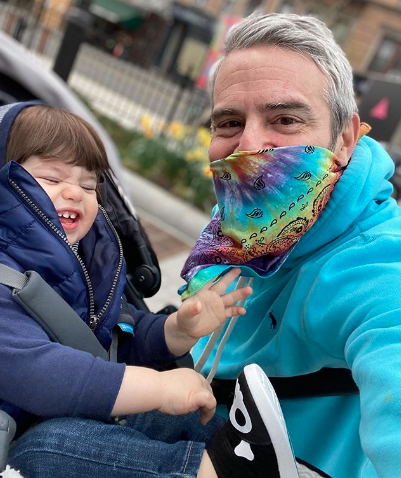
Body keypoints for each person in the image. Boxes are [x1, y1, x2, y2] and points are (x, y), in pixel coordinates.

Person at [0, 102, 297, 477]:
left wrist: (175, 331)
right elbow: (41, 373)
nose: (74, 192)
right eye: (52, 179)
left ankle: (247, 456)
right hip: (16, 440)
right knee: (47, 447)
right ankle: (213, 471)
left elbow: (111, 341)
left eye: (89, 184)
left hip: (72, 418)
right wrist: (158, 387)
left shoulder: (89, 262)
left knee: (173, 415)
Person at [180, 12, 401, 478]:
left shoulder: (376, 264)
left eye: (284, 119)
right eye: (229, 123)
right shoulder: (245, 225)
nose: (250, 146)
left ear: (343, 140)